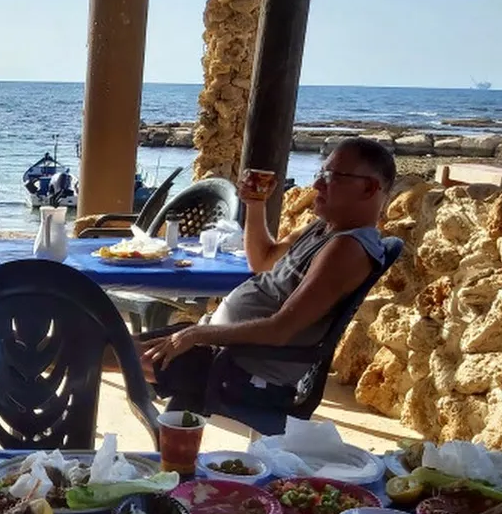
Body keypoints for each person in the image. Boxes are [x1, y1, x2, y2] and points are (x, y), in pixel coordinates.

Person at [133, 136, 396, 413]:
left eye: (332, 176)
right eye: (320, 173)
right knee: (112, 343)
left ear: (369, 188)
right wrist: (255, 205)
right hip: (225, 349)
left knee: (109, 347)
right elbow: (263, 261)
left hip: (244, 369)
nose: (317, 184)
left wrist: (197, 334)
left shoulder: (347, 249)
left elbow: (280, 330)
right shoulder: (324, 228)